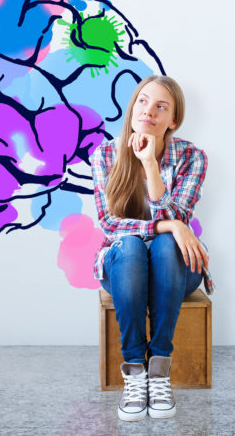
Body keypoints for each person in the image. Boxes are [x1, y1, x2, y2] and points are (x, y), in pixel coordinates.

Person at [91, 74, 213, 422]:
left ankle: (159, 370)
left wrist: (149, 164)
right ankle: (135, 372)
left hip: (175, 267)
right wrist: (170, 225)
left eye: (162, 106)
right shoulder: (104, 155)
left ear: (172, 120)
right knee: (130, 246)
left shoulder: (192, 157)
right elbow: (109, 225)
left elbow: (179, 216)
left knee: (163, 245)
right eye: (143, 101)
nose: (149, 111)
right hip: (123, 268)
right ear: (133, 107)